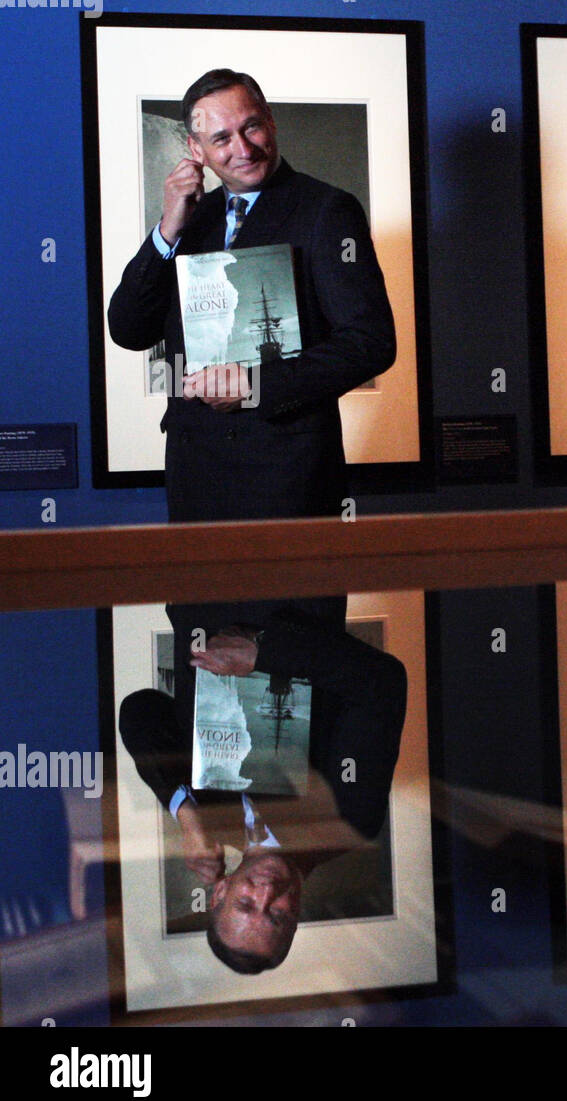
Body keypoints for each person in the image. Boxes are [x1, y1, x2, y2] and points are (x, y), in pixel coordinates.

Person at [107, 69, 396, 522]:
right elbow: (128, 330)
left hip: (289, 480)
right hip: (195, 480)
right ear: (195, 150)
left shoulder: (328, 211)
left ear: (271, 121)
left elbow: (370, 342)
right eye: (222, 138)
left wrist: (254, 386)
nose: (243, 149)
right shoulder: (187, 222)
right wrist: (166, 231)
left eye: (252, 127)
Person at [118, 604, 407, 973]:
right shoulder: (349, 822)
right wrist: (264, 654)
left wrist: (186, 816)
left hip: (195, 583)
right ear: (296, 915)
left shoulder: (207, 815)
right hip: (295, 581)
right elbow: (382, 682)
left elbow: (140, 711)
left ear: (220, 892)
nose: (266, 894)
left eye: (245, 904)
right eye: (275, 916)